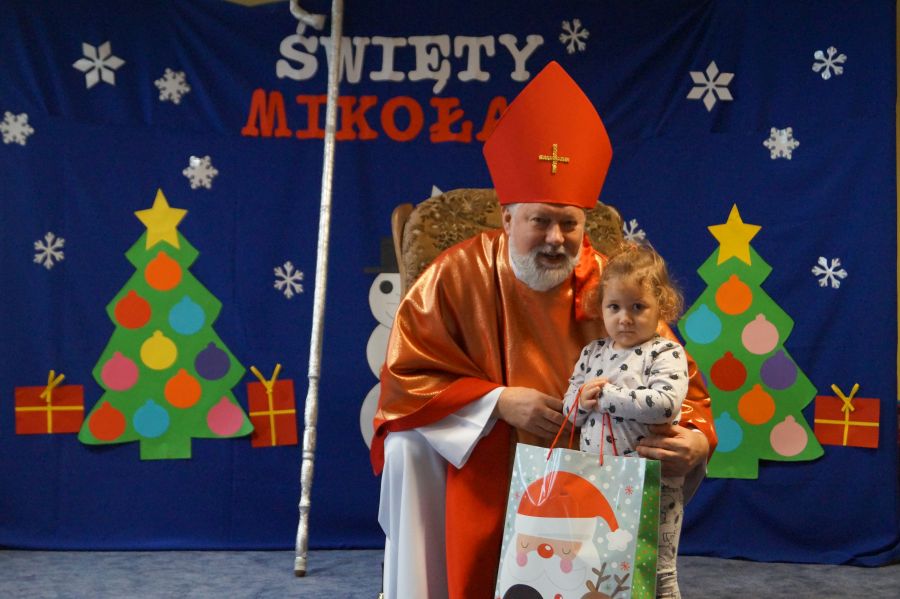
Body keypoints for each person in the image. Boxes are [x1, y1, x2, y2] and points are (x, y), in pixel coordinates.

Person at [370, 61, 717, 599]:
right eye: (540, 221)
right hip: (484, 442)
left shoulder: (613, 285)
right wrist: (497, 402)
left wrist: (694, 436)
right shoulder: (454, 275)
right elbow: (405, 381)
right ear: (507, 218)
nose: (556, 238)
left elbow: (677, 380)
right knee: (406, 449)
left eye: (569, 223)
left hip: (590, 450)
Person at [562, 242, 689, 598]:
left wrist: (606, 398)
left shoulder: (665, 352)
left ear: (662, 306)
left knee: (656, 569)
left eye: (638, 307)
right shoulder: (592, 353)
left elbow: (665, 404)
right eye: (614, 307)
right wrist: (581, 401)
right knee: (600, 565)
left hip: (653, 481)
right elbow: (569, 410)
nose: (624, 318)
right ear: (600, 308)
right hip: (597, 480)